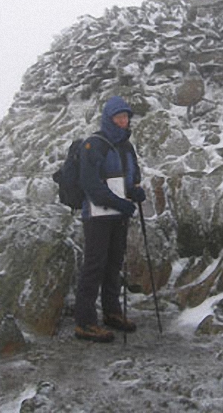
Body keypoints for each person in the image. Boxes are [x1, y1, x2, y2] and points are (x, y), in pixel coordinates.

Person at [74, 96, 146, 342]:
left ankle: (112, 312)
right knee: (94, 265)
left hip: (119, 212)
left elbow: (132, 175)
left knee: (114, 263)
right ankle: (85, 322)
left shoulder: (127, 146)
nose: (123, 121)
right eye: (119, 117)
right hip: (97, 215)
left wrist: (135, 191)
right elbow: (90, 185)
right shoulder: (94, 144)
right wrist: (120, 203)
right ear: (108, 118)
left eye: (126, 117)